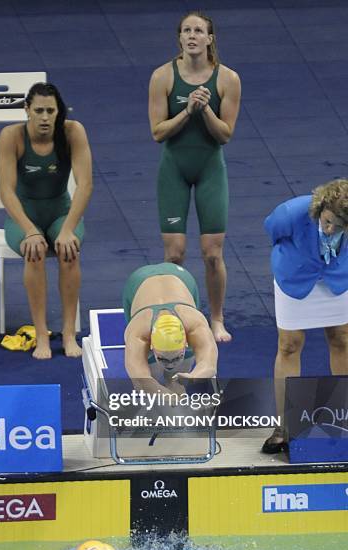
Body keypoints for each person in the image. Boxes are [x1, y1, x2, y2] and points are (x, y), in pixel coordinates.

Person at [148, 11, 241, 343]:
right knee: (174, 254)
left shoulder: (228, 79)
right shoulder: (163, 77)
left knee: (212, 253)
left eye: (198, 31)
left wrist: (206, 110)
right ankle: (176, 318)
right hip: (174, 168)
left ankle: (216, 318)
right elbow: (158, 133)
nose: (191, 36)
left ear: (209, 38)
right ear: (180, 38)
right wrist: (188, 110)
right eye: (186, 30)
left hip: (209, 169)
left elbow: (225, 135)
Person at [0, 82, 93, 360]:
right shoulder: (11, 136)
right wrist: (29, 231)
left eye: (50, 111)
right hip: (24, 215)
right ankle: (41, 335)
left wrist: (67, 230)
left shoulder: (73, 132)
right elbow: (6, 191)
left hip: (60, 212)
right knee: (34, 251)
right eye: (38, 110)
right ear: (27, 110)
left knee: (69, 251)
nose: (44, 117)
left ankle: (68, 333)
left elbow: (85, 185)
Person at [262, 179, 348, 453]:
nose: (331, 228)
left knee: (342, 339)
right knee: (289, 345)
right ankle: (284, 426)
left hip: (337, 278)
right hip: (295, 277)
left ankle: (344, 417)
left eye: (340, 225)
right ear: (320, 208)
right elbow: (272, 231)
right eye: (327, 221)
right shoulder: (292, 212)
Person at [123, 262, 218, 399]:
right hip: (137, 282)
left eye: (176, 357)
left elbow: (209, 365)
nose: (170, 365)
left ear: (185, 341)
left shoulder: (195, 325)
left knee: (177, 382)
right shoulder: (138, 332)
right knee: (149, 384)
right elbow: (140, 380)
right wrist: (162, 395)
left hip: (181, 278)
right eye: (163, 358)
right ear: (151, 345)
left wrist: (193, 377)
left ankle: (176, 379)